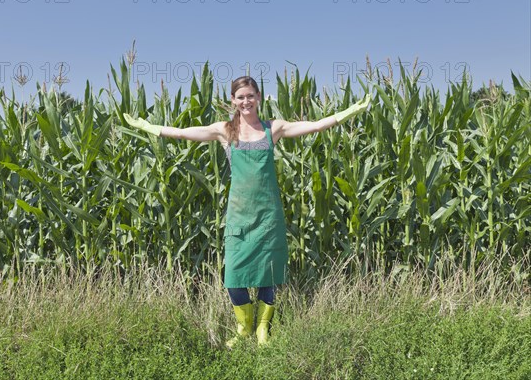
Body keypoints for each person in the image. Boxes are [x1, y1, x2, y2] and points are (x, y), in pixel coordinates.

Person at [124, 76, 370, 348]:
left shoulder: (272, 128)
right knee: (234, 275)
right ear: (233, 100)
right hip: (239, 214)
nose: (245, 101)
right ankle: (244, 328)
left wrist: (345, 114)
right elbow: (184, 132)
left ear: (259, 97)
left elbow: (313, 126)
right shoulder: (224, 131)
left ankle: (264, 327)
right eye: (240, 97)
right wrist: (151, 128)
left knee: (269, 271)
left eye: (250, 96)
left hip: (268, 213)